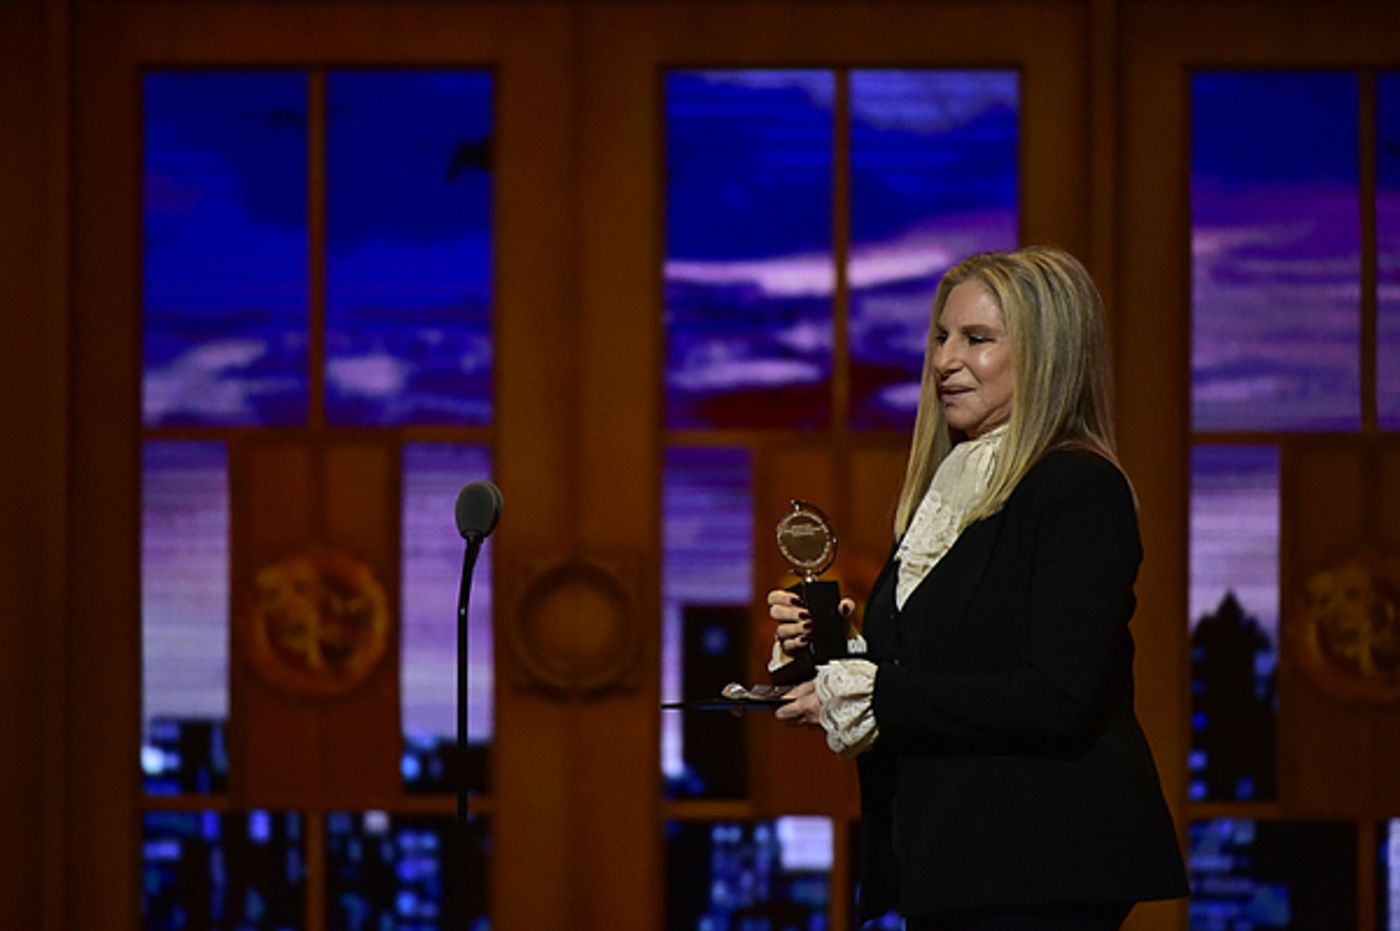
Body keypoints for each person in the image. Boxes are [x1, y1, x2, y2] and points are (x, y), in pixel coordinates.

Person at [767, 246, 1190, 930]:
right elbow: (946, 670)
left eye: (977, 339)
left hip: (1037, 868)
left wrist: (875, 691)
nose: (943, 360)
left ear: (1046, 356)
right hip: (955, 865)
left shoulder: (1079, 488)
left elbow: (1057, 693)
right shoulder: (950, 483)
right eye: (940, 336)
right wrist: (834, 654)